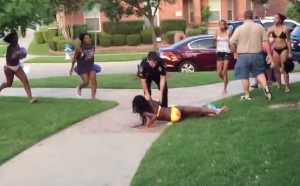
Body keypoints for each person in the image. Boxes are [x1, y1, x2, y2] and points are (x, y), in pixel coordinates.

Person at [230, 10, 273, 101]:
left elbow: (232, 42)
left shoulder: (240, 28)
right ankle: (265, 87)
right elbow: (266, 41)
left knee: (244, 75)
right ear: (252, 16)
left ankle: (247, 95)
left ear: (244, 17)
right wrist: (269, 54)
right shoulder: (259, 27)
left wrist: (235, 52)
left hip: (243, 55)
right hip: (257, 54)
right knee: (259, 72)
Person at [132, 95, 227, 128]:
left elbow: (153, 116)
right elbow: (160, 104)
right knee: (196, 110)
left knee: (192, 115)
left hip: (173, 118)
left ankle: (213, 113)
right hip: (174, 109)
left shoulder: (144, 112)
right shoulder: (151, 102)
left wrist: (147, 125)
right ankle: (215, 111)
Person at [0, 32, 37, 103]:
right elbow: (8, 60)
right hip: (9, 68)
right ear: (12, 40)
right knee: (8, 84)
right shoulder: (9, 48)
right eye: (15, 38)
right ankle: (1, 87)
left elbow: (21, 56)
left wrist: (22, 55)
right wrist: (14, 56)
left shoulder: (17, 45)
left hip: (17, 67)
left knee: (25, 80)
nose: (17, 39)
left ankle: (30, 99)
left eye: (17, 37)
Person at [267, 13, 292, 92]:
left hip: (284, 49)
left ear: (280, 20)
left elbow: (288, 41)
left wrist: (290, 52)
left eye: (276, 18)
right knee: (276, 68)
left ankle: (287, 86)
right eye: (274, 18)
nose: (274, 20)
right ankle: (279, 84)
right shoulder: (271, 29)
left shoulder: (285, 29)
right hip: (275, 50)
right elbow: (265, 37)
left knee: (284, 68)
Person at [70, 33, 97, 99]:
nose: (88, 39)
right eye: (86, 38)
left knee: (93, 80)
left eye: (89, 38)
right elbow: (74, 58)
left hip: (91, 66)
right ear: (83, 39)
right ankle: (79, 87)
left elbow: (92, 55)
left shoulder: (92, 47)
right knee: (86, 82)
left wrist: (91, 55)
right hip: (82, 67)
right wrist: (72, 67)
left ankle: (93, 97)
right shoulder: (79, 49)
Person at [213, 20, 232, 95]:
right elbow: (214, 42)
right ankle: (226, 80)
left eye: (222, 25)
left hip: (226, 52)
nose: (221, 26)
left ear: (225, 25)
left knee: (224, 71)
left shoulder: (228, 32)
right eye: (220, 25)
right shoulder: (217, 32)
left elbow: (231, 42)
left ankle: (225, 89)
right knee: (219, 72)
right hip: (219, 52)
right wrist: (214, 40)